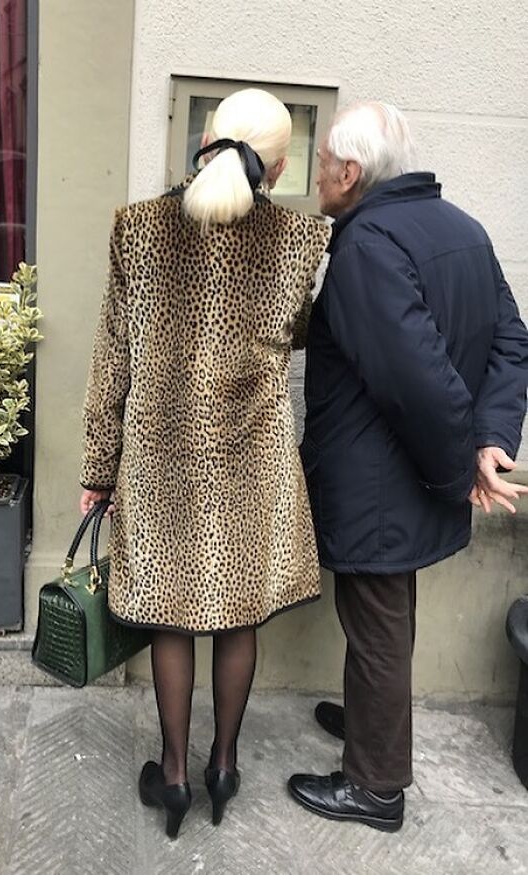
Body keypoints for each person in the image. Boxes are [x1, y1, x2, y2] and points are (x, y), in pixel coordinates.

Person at [80, 88, 329, 839]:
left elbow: (112, 362)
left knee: (171, 613)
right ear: (278, 168)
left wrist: (98, 469)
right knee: (237, 611)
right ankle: (224, 764)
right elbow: (296, 334)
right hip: (252, 459)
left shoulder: (138, 229)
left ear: (204, 140)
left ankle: (175, 776)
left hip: (159, 458)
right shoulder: (299, 241)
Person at [287, 101, 528, 832]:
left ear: (350, 172)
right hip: (415, 474)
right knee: (386, 616)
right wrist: (490, 438)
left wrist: (463, 464)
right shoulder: (462, 227)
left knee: (379, 624)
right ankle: (374, 722)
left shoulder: (367, 245)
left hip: (383, 482)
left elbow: (416, 380)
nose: (317, 176)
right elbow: (512, 340)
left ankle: (375, 785)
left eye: (322, 163)